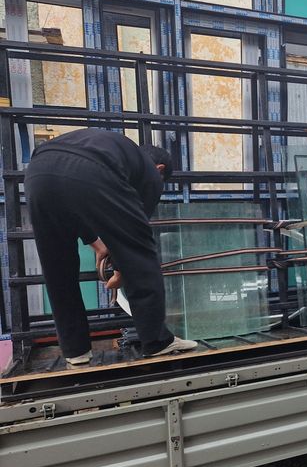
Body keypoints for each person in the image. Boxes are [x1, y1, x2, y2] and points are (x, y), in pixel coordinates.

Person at [25, 128, 198, 366]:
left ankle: (75, 351)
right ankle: (157, 342)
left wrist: (97, 245)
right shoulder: (150, 173)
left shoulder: (116, 150)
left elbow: (72, 198)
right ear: (160, 170)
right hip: (90, 170)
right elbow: (132, 237)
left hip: (38, 172)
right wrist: (119, 269)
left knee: (58, 268)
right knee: (143, 257)